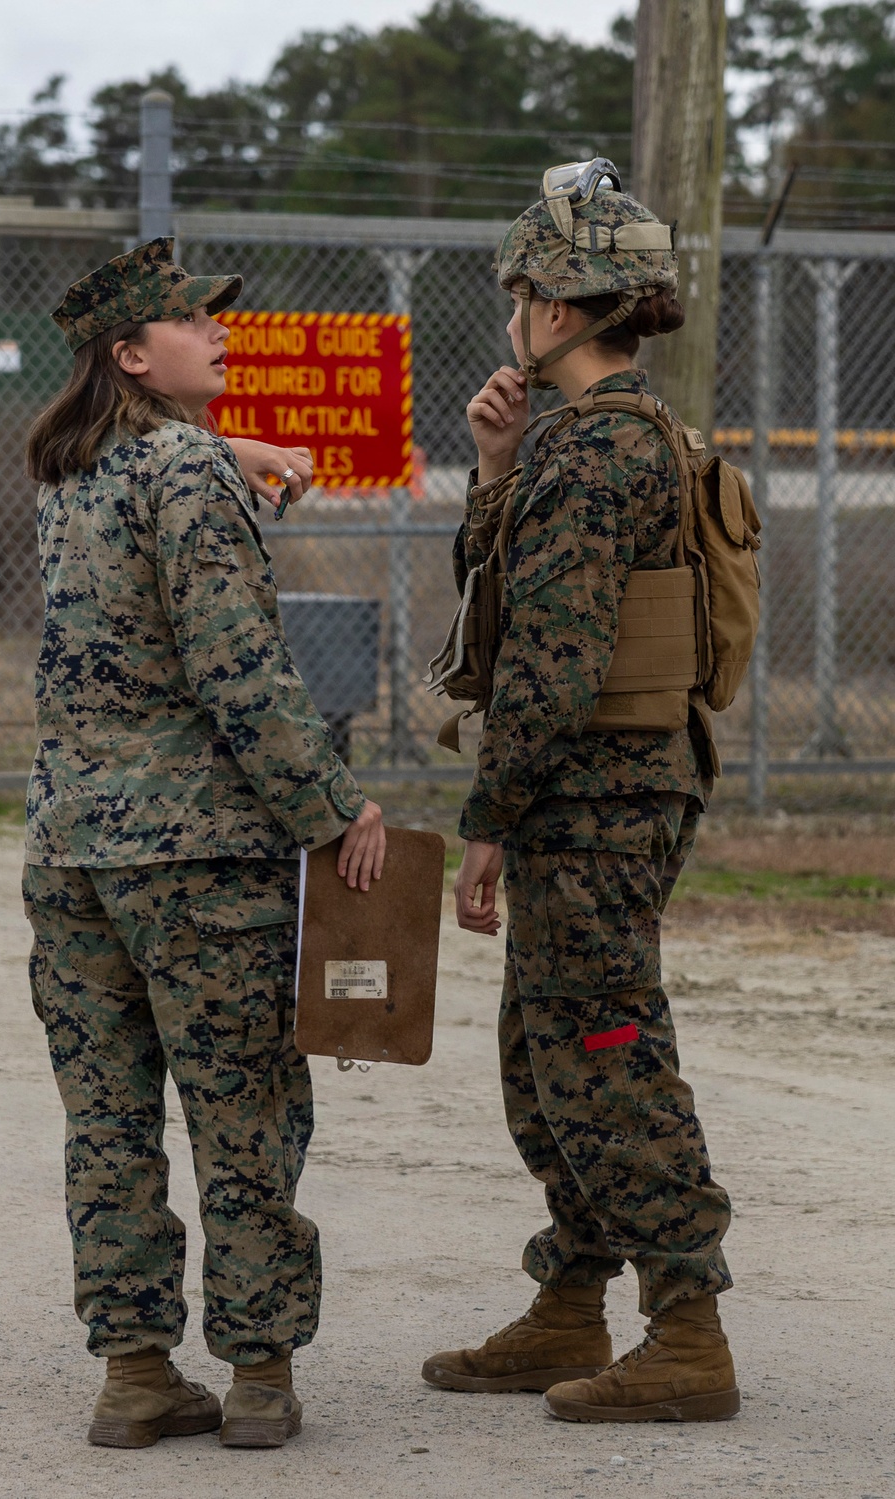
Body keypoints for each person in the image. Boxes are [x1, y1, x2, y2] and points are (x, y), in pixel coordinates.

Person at [22, 237, 385, 1451]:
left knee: (109, 1121)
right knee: (242, 1112)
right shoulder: (183, 472)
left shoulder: (72, 471)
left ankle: (134, 1373)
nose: (222, 331)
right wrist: (337, 809)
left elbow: (150, 471)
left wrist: (235, 451)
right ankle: (261, 1375)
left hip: (73, 853)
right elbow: (242, 675)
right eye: (194, 322)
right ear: (132, 354)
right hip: (197, 860)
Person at [421, 162, 739, 1423]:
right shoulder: (591, 443)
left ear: (553, 307)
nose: (511, 312)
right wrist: (495, 464)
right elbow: (505, 602)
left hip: (590, 801)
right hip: (600, 795)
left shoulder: (601, 455)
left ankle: (688, 1325)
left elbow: (545, 667)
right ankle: (570, 1296)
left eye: (518, 291)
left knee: (607, 1052)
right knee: (544, 1048)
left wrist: (486, 824)